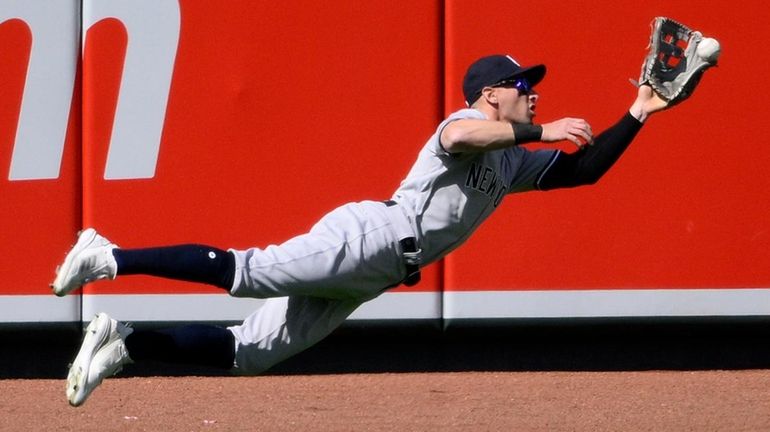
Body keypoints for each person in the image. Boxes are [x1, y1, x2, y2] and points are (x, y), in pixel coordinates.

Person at [53, 53, 675, 407]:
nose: (534, 95)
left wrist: (639, 111)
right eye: (523, 86)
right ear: (491, 94)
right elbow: (460, 136)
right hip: (371, 237)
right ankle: (109, 254)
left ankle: (124, 341)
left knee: (250, 354)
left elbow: (583, 171)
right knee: (249, 271)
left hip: (375, 274)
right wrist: (541, 130)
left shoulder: (510, 159)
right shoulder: (470, 123)